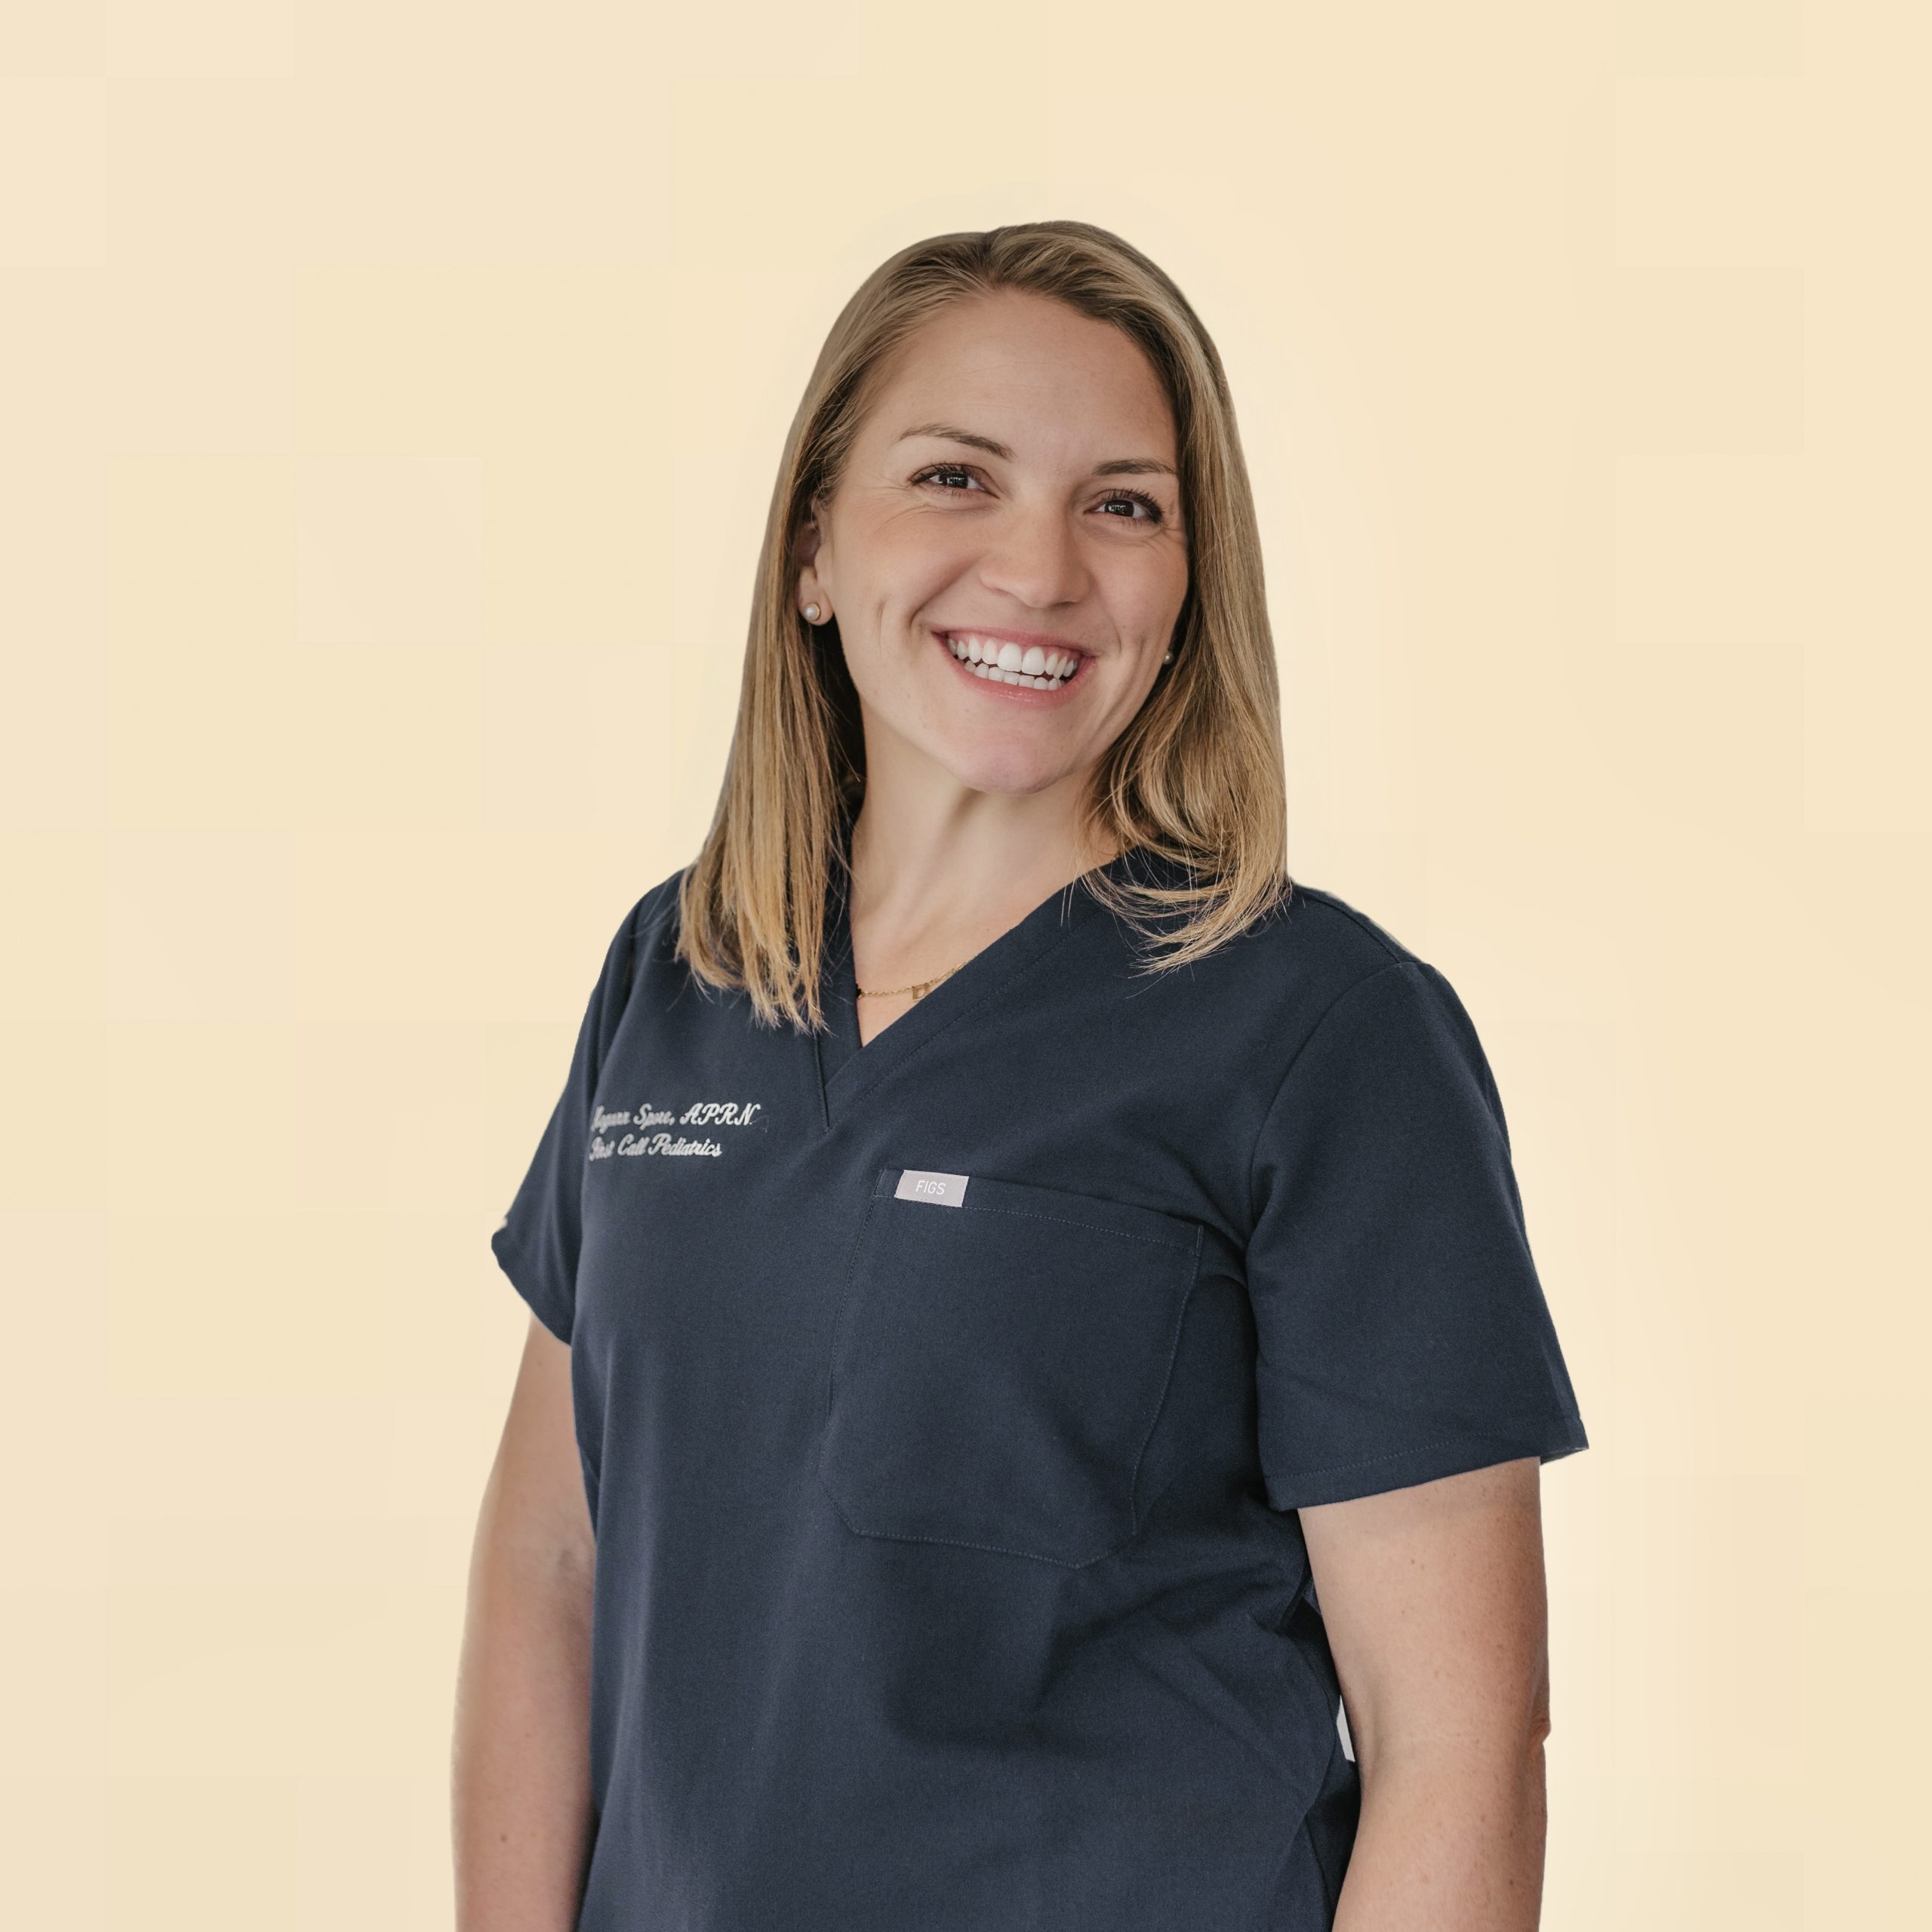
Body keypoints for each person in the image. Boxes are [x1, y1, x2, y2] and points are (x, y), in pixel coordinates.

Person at [451, 220, 1589, 1932]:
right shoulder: (675, 977)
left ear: (1189, 582)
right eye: (955, 477)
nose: (1040, 568)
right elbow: (552, 1568)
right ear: (815, 546)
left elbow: (1462, 1739)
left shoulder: (1321, 1031)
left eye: (1122, 502)